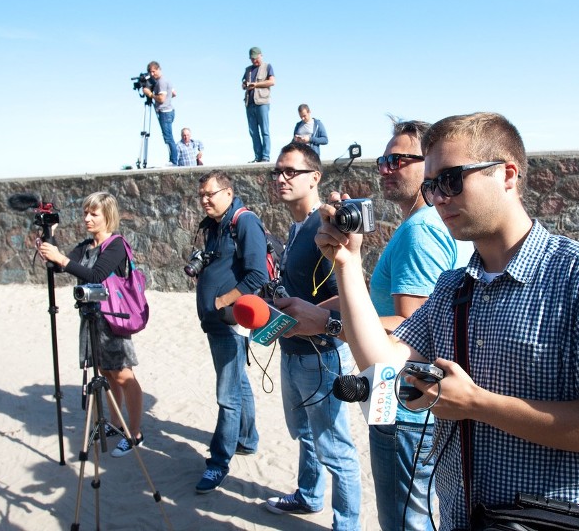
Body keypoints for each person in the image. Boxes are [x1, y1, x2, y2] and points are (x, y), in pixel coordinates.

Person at [316, 112, 579, 531]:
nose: (439, 197)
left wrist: (476, 404)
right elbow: (382, 363)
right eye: (432, 184)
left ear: (507, 175)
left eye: (452, 179)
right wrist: (348, 265)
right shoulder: (454, 287)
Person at [276, 120, 474, 529]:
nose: (386, 168)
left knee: (404, 522)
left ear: (430, 166)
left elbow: (410, 324)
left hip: (404, 404)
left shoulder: (419, 232)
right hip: (413, 401)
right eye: (384, 160)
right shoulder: (429, 224)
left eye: (399, 160)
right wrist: (334, 298)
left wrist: (326, 321)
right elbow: (388, 305)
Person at [264, 142, 361, 529]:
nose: (282, 178)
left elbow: (352, 292)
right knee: (304, 434)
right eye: (278, 172)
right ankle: (308, 495)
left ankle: (347, 524)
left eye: (292, 171)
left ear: (315, 177)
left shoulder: (325, 227)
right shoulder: (296, 227)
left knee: (336, 449)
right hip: (294, 351)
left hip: (322, 355)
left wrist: (314, 316)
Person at [37, 192, 146, 458]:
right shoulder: (86, 245)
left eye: (93, 213)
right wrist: (49, 236)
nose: (87, 218)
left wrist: (62, 258)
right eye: (86, 212)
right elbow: (60, 267)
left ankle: (135, 434)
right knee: (105, 374)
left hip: (113, 318)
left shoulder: (116, 245)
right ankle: (115, 424)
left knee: (122, 374)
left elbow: (96, 275)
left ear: (107, 216)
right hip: (90, 318)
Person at [193, 170, 267, 493]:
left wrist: (222, 300)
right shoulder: (215, 225)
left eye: (210, 194)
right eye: (201, 195)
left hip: (228, 322)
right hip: (215, 322)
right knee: (237, 382)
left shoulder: (244, 222)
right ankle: (247, 440)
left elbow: (257, 276)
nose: (205, 200)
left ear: (228, 191)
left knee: (227, 395)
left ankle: (219, 461)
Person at [242, 47, 275, 162]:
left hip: (262, 103)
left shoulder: (267, 67)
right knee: (253, 132)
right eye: (252, 59)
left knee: (264, 130)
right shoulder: (248, 70)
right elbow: (243, 84)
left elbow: (272, 82)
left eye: (255, 58)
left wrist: (256, 85)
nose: (254, 61)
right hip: (249, 104)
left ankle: (265, 157)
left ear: (261, 55)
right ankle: (258, 157)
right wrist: (245, 84)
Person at [142, 61, 179, 165]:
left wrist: (150, 94)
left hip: (164, 112)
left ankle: (173, 161)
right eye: (150, 72)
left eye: (153, 72)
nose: (152, 74)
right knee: (169, 136)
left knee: (168, 137)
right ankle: (173, 159)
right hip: (169, 111)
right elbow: (174, 93)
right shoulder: (166, 80)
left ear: (158, 69)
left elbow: (161, 99)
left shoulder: (161, 82)